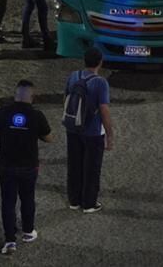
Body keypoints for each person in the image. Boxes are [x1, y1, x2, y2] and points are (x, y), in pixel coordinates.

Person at [0, 79, 53, 256]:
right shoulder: (37, 115)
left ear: (15, 94)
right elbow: (48, 138)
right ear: (32, 97)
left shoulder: (3, 111)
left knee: (8, 202)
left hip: (6, 165)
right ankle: (28, 232)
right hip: (28, 166)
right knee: (28, 198)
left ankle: (10, 241)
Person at [64, 46, 113, 213]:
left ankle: (74, 200)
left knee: (74, 164)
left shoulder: (73, 76)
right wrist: (110, 135)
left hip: (73, 128)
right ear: (100, 62)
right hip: (92, 132)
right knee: (91, 167)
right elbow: (104, 110)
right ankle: (89, 203)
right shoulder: (100, 82)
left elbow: (66, 98)